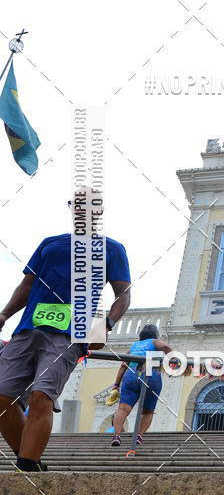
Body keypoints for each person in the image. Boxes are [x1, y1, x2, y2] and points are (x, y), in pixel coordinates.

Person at [0, 191, 131, 471]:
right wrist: (4, 314)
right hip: (27, 329)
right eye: (77, 205)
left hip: (70, 335)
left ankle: (27, 464)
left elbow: (124, 294)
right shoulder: (49, 244)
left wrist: (106, 325)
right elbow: (26, 286)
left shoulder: (112, 249)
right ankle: (30, 459)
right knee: (1, 397)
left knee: (41, 396)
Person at [109, 324, 171, 447]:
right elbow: (165, 346)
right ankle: (139, 436)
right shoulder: (154, 342)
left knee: (122, 409)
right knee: (148, 411)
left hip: (130, 375)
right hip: (150, 375)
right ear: (155, 334)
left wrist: (116, 385)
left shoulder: (134, 346)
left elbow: (123, 365)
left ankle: (116, 436)